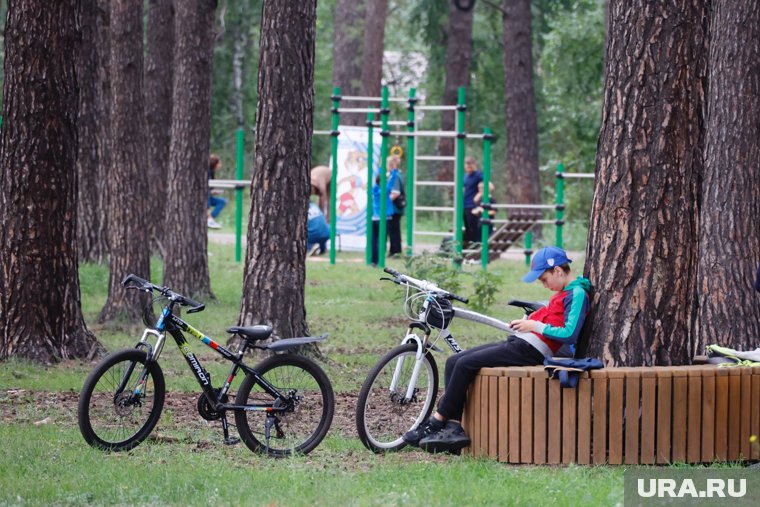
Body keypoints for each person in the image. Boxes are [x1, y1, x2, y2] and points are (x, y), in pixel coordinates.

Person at [403, 246, 591, 453]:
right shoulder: (562, 292)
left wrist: (535, 326)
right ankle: (453, 428)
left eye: (544, 279)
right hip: (521, 342)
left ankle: (436, 422)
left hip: (533, 350)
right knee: (454, 361)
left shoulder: (577, 293)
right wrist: (527, 321)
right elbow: (551, 318)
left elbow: (569, 333)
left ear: (557, 271)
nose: (544, 285)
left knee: (466, 364)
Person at [370, 174, 394, 265]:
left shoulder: (374, 190)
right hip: (384, 219)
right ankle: (380, 259)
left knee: (374, 240)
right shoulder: (386, 190)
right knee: (382, 240)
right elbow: (392, 181)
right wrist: (394, 171)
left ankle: (374, 260)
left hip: (374, 219)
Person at [387, 155, 405, 256]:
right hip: (394, 208)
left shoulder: (395, 176)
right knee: (393, 230)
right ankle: (393, 250)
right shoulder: (396, 175)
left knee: (394, 230)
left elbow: (396, 192)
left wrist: (386, 201)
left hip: (394, 208)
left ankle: (395, 251)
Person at [462, 156, 483, 243]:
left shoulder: (478, 175)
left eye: (470, 166)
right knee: (467, 228)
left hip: (473, 206)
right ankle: (469, 249)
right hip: (465, 205)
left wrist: (479, 194)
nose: (468, 168)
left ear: (474, 165)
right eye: (467, 166)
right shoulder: (465, 176)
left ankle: (476, 247)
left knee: (474, 228)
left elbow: (488, 186)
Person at [207, 155, 226, 229]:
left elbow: (210, 188)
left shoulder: (212, 172)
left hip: (209, 195)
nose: (220, 165)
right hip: (205, 197)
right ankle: (209, 219)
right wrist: (211, 191)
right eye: (219, 163)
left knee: (222, 201)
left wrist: (214, 191)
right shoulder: (208, 172)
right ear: (215, 164)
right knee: (206, 196)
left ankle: (210, 219)